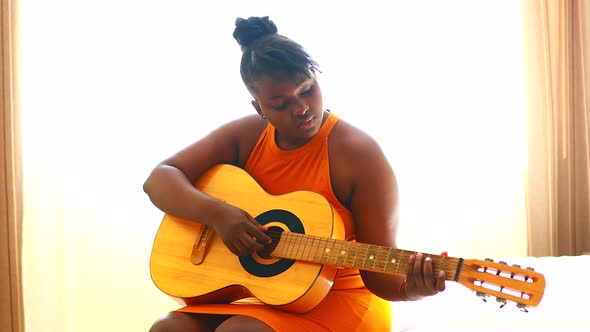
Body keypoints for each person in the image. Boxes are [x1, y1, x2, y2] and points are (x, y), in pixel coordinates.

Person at [143, 16, 446, 332]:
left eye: (307, 89)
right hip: (270, 296)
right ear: (259, 107)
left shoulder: (359, 155)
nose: (302, 108)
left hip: (340, 300)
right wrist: (220, 215)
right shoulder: (247, 136)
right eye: (280, 103)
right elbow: (160, 179)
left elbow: (380, 276)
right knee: (168, 329)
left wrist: (411, 287)